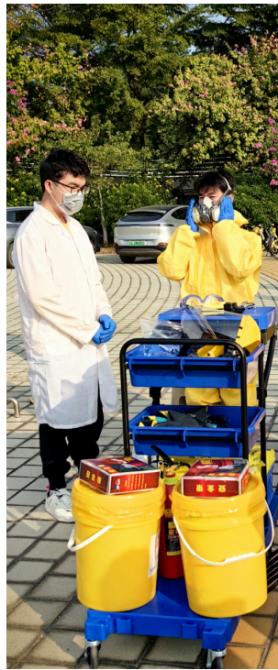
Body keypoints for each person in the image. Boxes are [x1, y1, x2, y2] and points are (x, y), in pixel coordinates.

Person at [13, 149, 117, 522]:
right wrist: (86, 329)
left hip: (87, 343)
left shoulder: (74, 229)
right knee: (56, 420)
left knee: (90, 417)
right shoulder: (32, 233)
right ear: (49, 184)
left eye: (82, 187)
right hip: (56, 344)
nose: (77, 194)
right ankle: (56, 487)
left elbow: (94, 280)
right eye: (71, 186)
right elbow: (42, 297)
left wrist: (104, 313)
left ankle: (87, 476)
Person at [157, 170, 262, 407]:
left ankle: (241, 433)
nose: (205, 201)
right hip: (198, 326)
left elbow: (238, 266)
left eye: (212, 196)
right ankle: (204, 431)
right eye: (201, 196)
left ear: (229, 198)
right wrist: (186, 233)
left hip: (236, 327)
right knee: (199, 391)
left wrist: (224, 227)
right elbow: (172, 270)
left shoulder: (249, 239)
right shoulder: (191, 239)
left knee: (237, 395)